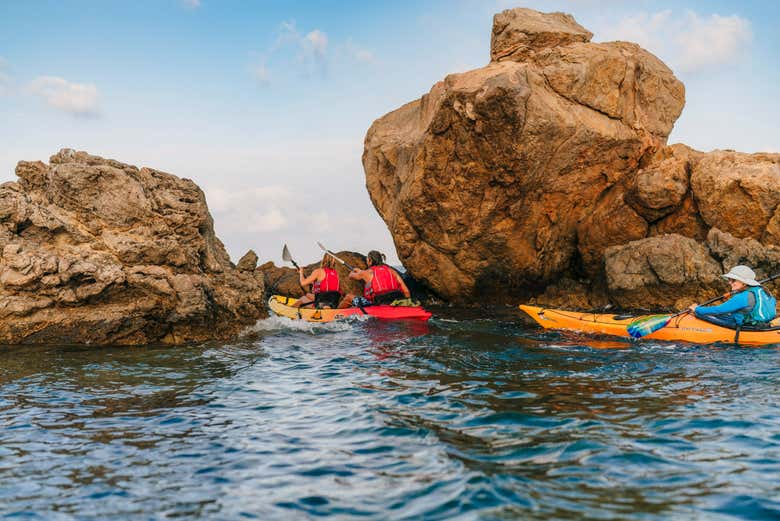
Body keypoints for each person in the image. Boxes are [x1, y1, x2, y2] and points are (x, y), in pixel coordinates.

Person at [689, 265, 776, 327]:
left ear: (744, 282)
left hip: (746, 324)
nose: (730, 282)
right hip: (762, 322)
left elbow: (718, 310)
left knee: (700, 314)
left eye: (733, 280)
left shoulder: (742, 297)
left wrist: (697, 309)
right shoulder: (762, 290)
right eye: (729, 279)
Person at [338, 250, 411, 308]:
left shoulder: (367, 273)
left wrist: (356, 270)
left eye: (367, 260)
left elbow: (351, 276)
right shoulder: (392, 271)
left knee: (348, 297)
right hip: (393, 301)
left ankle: (335, 313)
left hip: (376, 304)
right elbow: (406, 291)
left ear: (370, 261)